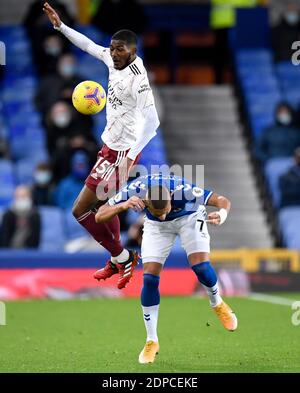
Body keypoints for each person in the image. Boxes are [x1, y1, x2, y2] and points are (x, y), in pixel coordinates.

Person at [43, 3, 160, 289]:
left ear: (132, 51)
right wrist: (61, 26)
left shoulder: (137, 80)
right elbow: (88, 46)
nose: (113, 53)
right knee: (94, 208)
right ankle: (120, 257)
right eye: (112, 48)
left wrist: (128, 158)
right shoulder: (111, 58)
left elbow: (153, 122)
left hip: (122, 153)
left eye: (120, 49)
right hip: (108, 148)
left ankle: (120, 256)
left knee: (84, 210)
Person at [95, 173, 238, 364]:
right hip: (156, 227)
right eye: (157, 211)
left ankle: (217, 303)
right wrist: (123, 205)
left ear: (171, 197)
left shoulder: (183, 190)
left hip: (189, 217)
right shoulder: (135, 190)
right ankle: (151, 340)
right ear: (146, 201)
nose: (163, 214)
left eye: (165, 209)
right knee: (149, 279)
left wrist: (222, 214)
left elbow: (222, 200)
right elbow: (99, 215)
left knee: (201, 267)